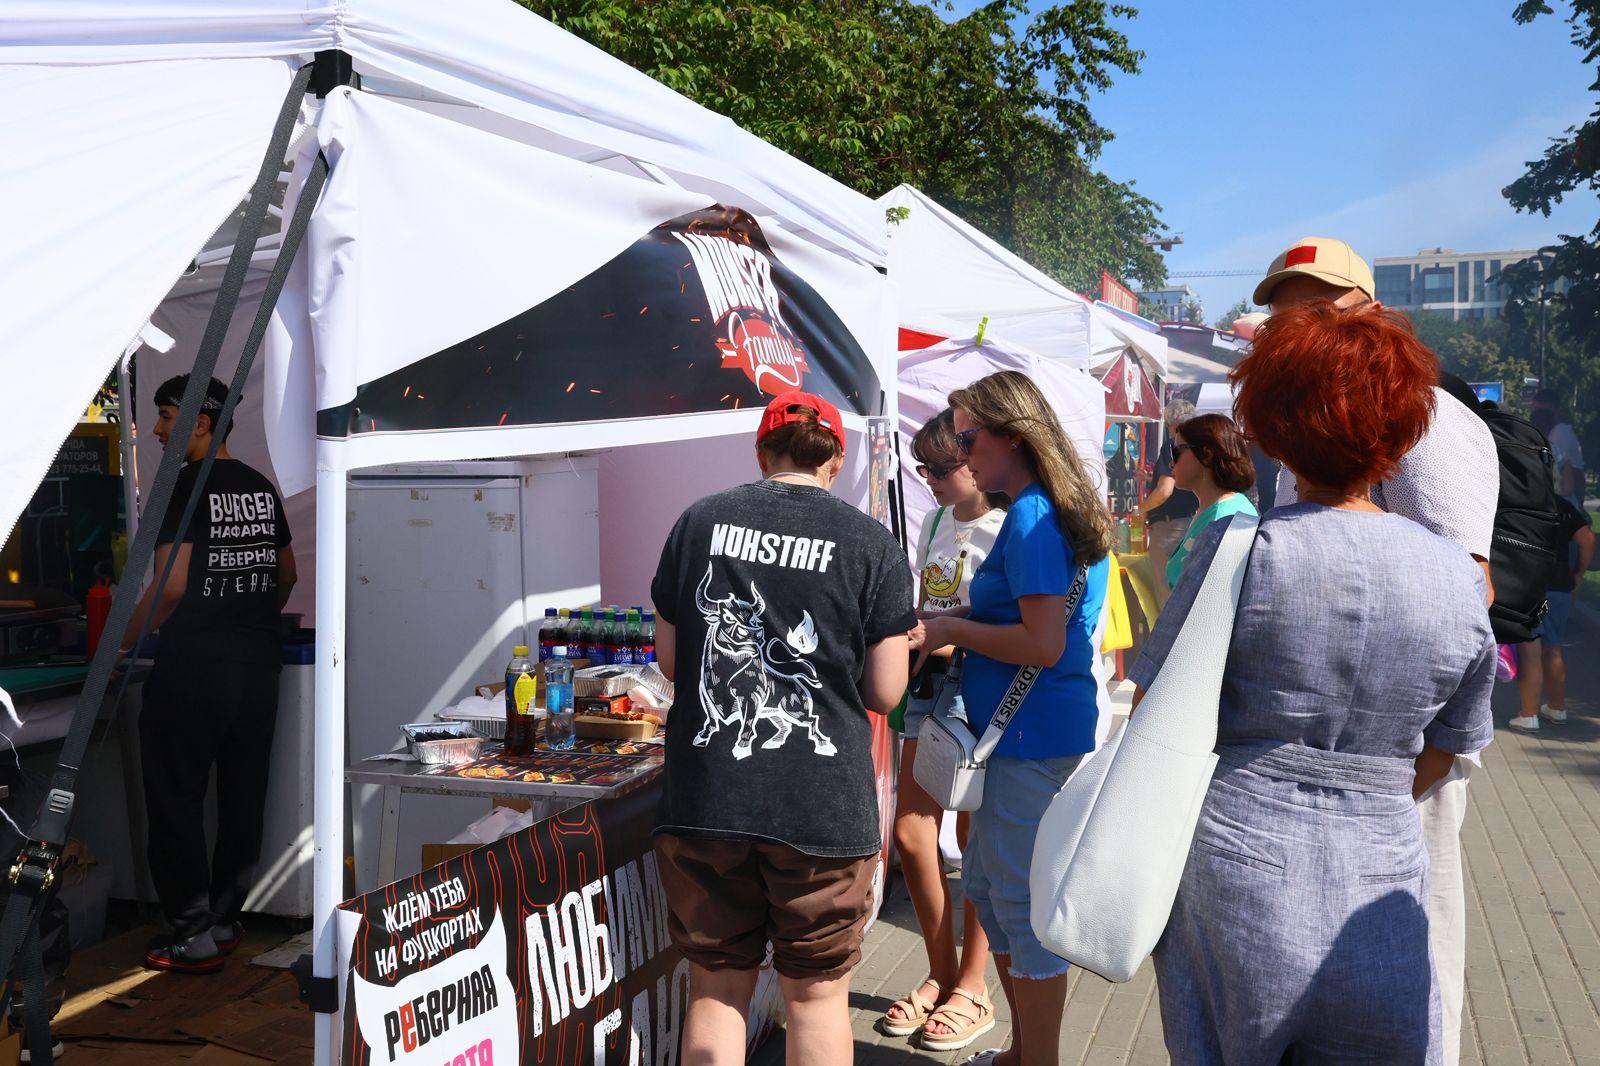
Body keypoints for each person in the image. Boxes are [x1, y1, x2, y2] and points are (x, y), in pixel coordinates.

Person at [1137, 302, 1496, 1062]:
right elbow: (1453, 747)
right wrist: (1366, 793)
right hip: (1383, 870)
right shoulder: (1457, 579)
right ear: (1403, 430)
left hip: (1236, 859)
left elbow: (1154, 708)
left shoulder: (1244, 552)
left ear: (1269, 426)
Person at [1256, 236, 1499, 1066]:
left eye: (1317, 305)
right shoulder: (1313, 417)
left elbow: (1468, 589)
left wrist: (1404, 767)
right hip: (1312, 753)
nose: (1295, 323)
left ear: (1368, 311)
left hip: (1397, 755)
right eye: (1285, 311)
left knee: (1408, 947)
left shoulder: (1423, 420)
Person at [648, 390, 913, 1066]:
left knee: (717, 990)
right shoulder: (869, 543)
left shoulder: (700, 522)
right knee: (816, 1000)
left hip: (709, 801)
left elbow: (676, 664)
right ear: (835, 462)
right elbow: (885, 692)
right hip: (821, 809)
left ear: (763, 451)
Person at [911, 371, 1114, 1066]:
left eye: (968, 438)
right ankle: (1026, 1050)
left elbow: (1042, 642)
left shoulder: (1029, 517)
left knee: (1018, 905)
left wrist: (950, 632)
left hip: (1029, 734)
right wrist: (957, 618)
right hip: (1023, 730)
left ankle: (1040, 1060)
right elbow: (1028, 619)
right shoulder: (1034, 509)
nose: (962, 455)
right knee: (999, 895)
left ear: (1013, 435)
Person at [124, 374, 296, 973]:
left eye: (166, 416)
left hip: (192, 671)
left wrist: (119, 641)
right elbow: (288, 575)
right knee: (242, 798)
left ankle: (191, 935)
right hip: (256, 669)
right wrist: (244, 620)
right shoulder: (259, 488)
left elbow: (170, 586)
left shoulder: (183, 488)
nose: (156, 429)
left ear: (200, 422)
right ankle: (223, 922)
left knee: (175, 801)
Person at [883, 410, 1005, 1051]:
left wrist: (953, 633)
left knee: (974, 833)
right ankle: (941, 973)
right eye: (921, 466)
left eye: (937, 466)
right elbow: (930, 597)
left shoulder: (1011, 522)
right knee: (910, 830)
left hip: (981, 689)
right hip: (929, 685)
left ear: (972, 460)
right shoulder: (934, 519)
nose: (926, 477)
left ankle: (972, 985)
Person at [1510, 494, 1596, 731]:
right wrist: (1578, 573)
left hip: (1532, 588)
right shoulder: (1563, 506)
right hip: (1559, 588)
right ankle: (1557, 709)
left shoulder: (1520, 502)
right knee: (1554, 647)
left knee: (1530, 647)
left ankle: (1528, 714)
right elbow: (1587, 539)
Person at [1163, 414, 1257, 589]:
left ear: (1206, 455)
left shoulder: (1224, 519)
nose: (1171, 463)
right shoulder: (1219, 510)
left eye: (1176, 451)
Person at [1138, 399, 1199, 597]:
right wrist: (1150, 477)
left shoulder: (1173, 446)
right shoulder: (1200, 446)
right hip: (1194, 523)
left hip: (1170, 528)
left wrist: (1141, 510)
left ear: (1170, 422)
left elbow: (1165, 490)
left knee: (1166, 593)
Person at [1532, 389, 1586, 509]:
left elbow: (1577, 473)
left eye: (1537, 409)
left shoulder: (1560, 434)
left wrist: (1580, 507)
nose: (1535, 413)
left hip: (1563, 506)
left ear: (1549, 406)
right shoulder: (1556, 433)